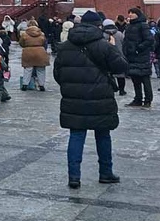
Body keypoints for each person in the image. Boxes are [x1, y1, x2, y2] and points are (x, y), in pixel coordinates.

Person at [53, 10, 130, 189]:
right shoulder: (103, 46)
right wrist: (114, 48)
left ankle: (74, 177)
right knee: (103, 134)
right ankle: (105, 173)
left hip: (74, 99)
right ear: (99, 25)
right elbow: (122, 67)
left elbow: (58, 74)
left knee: (76, 135)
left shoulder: (64, 47)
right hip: (101, 97)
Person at [123, 7, 154, 107]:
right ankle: (138, 99)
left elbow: (149, 39)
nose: (130, 14)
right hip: (131, 56)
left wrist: (139, 48)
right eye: (129, 12)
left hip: (141, 56)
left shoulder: (143, 25)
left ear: (138, 14)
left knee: (145, 79)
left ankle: (148, 100)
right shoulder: (129, 26)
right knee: (135, 79)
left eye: (133, 13)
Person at [18, 19, 50, 91]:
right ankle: (41, 85)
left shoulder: (24, 34)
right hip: (40, 51)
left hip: (28, 52)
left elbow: (21, 43)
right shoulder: (41, 34)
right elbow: (45, 43)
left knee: (28, 69)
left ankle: (25, 85)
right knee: (41, 69)